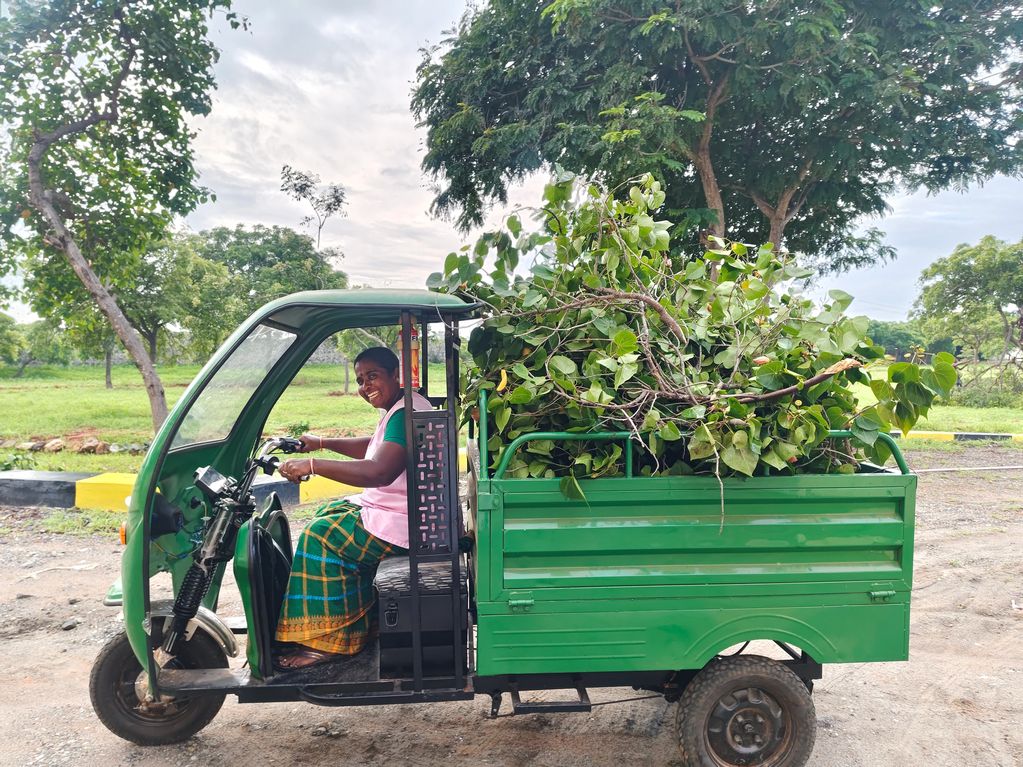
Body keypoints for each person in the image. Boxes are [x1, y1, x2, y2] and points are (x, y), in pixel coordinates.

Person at [273, 346, 430, 670]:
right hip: (403, 512)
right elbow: (375, 446)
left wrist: (313, 464)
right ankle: (362, 622)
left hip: (406, 523)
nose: (365, 386)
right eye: (360, 380)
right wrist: (321, 443)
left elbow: (379, 471)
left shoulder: (406, 412)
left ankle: (330, 642)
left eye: (373, 376)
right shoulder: (403, 407)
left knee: (320, 536)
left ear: (395, 375)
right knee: (329, 514)